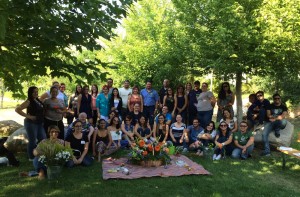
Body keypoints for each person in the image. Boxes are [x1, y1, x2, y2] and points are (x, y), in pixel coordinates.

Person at [15, 86, 46, 160]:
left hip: (39, 123)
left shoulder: (37, 100)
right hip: (31, 123)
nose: (36, 93)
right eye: (34, 92)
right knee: (32, 140)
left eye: (37, 91)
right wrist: (29, 116)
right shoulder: (29, 101)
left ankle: (40, 153)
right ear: (30, 93)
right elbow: (17, 109)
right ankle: (31, 157)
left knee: (43, 139)